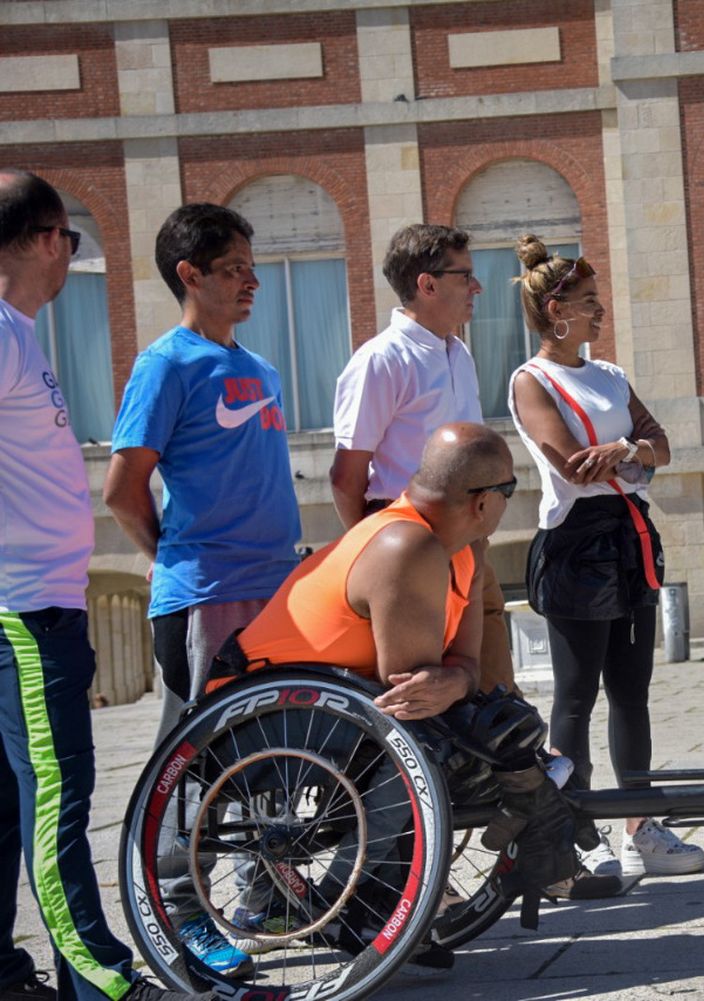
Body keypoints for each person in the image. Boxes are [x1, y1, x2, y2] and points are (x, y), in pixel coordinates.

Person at [229, 423, 571, 962]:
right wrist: (458, 691)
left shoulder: (463, 547)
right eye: (508, 491)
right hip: (259, 714)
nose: (508, 503)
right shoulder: (404, 543)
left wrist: (469, 691)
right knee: (427, 747)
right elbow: (410, 691)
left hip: (336, 703)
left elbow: (459, 668)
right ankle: (348, 901)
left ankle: (385, 900)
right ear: (483, 502)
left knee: (490, 732)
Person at [0, 169, 212, 1001]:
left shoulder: (20, 334)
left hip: (37, 602)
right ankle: (105, 983)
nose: (69, 260)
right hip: (25, 608)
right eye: (71, 242)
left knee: (14, 806)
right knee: (58, 804)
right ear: (48, 239)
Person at [104, 204, 302, 975]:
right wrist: (168, 557)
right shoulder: (167, 364)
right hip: (204, 595)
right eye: (233, 269)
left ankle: (271, 894)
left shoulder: (262, 366)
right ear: (190, 275)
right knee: (191, 768)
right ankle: (181, 916)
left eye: (252, 266)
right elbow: (124, 489)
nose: (252, 281)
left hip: (273, 590)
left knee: (276, 754)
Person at [507, 235, 704, 879]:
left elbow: (661, 445)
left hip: (629, 537)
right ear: (556, 310)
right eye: (589, 302)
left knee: (633, 692)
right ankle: (576, 831)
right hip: (575, 543)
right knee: (574, 695)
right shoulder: (532, 380)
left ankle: (642, 827)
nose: (600, 313)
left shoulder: (611, 375)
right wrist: (631, 450)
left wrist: (624, 452)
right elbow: (571, 463)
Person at [329, 224, 517, 697]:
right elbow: (347, 474)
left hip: (470, 542)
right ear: (426, 284)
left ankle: (513, 767)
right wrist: (374, 557)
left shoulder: (460, 354)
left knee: (492, 685)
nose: (477, 287)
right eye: (465, 276)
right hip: (409, 550)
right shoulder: (380, 360)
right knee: (421, 691)